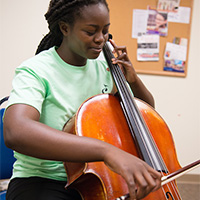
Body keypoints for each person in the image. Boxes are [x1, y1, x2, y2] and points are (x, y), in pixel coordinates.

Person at [3, 0, 161, 199]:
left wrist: (134, 80)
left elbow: (143, 116)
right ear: (64, 28)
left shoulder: (105, 67)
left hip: (97, 177)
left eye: (105, 31)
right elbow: (15, 131)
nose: (100, 39)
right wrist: (106, 151)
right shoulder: (36, 70)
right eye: (90, 31)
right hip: (44, 180)